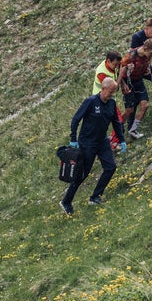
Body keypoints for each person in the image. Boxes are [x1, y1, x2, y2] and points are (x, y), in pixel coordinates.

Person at [60, 78, 126, 215]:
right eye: (110, 91)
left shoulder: (112, 104)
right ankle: (66, 201)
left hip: (102, 142)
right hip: (87, 143)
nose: (112, 94)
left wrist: (122, 139)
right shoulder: (91, 102)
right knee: (82, 174)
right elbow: (76, 119)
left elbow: (116, 122)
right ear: (103, 89)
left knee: (111, 167)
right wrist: (73, 138)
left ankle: (95, 196)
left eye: (114, 92)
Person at [119, 38, 152, 139]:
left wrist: (147, 69)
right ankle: (118, 133)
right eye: (151, 53)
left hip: (139, 81)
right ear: (145, 48)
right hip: (128, 82)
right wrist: (122, 84)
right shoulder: (131, 55)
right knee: (130, 109)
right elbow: (119, 70)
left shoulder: (148, 55)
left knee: (145, 105)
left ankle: (133, 129)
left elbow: (148, 61)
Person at [92, 50, 124, 149]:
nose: (116, 67)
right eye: (115, 64)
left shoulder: (111, 64)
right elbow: (114, 88)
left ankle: (113, 143)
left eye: (118, 64)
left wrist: (124, 83)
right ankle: (111, 144)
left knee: (118, 120)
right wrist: (121, 75)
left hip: (108, 100)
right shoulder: (101, 73)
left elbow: (117, 72)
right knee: (106, 124)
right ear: (108, 61)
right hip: (101, 102)